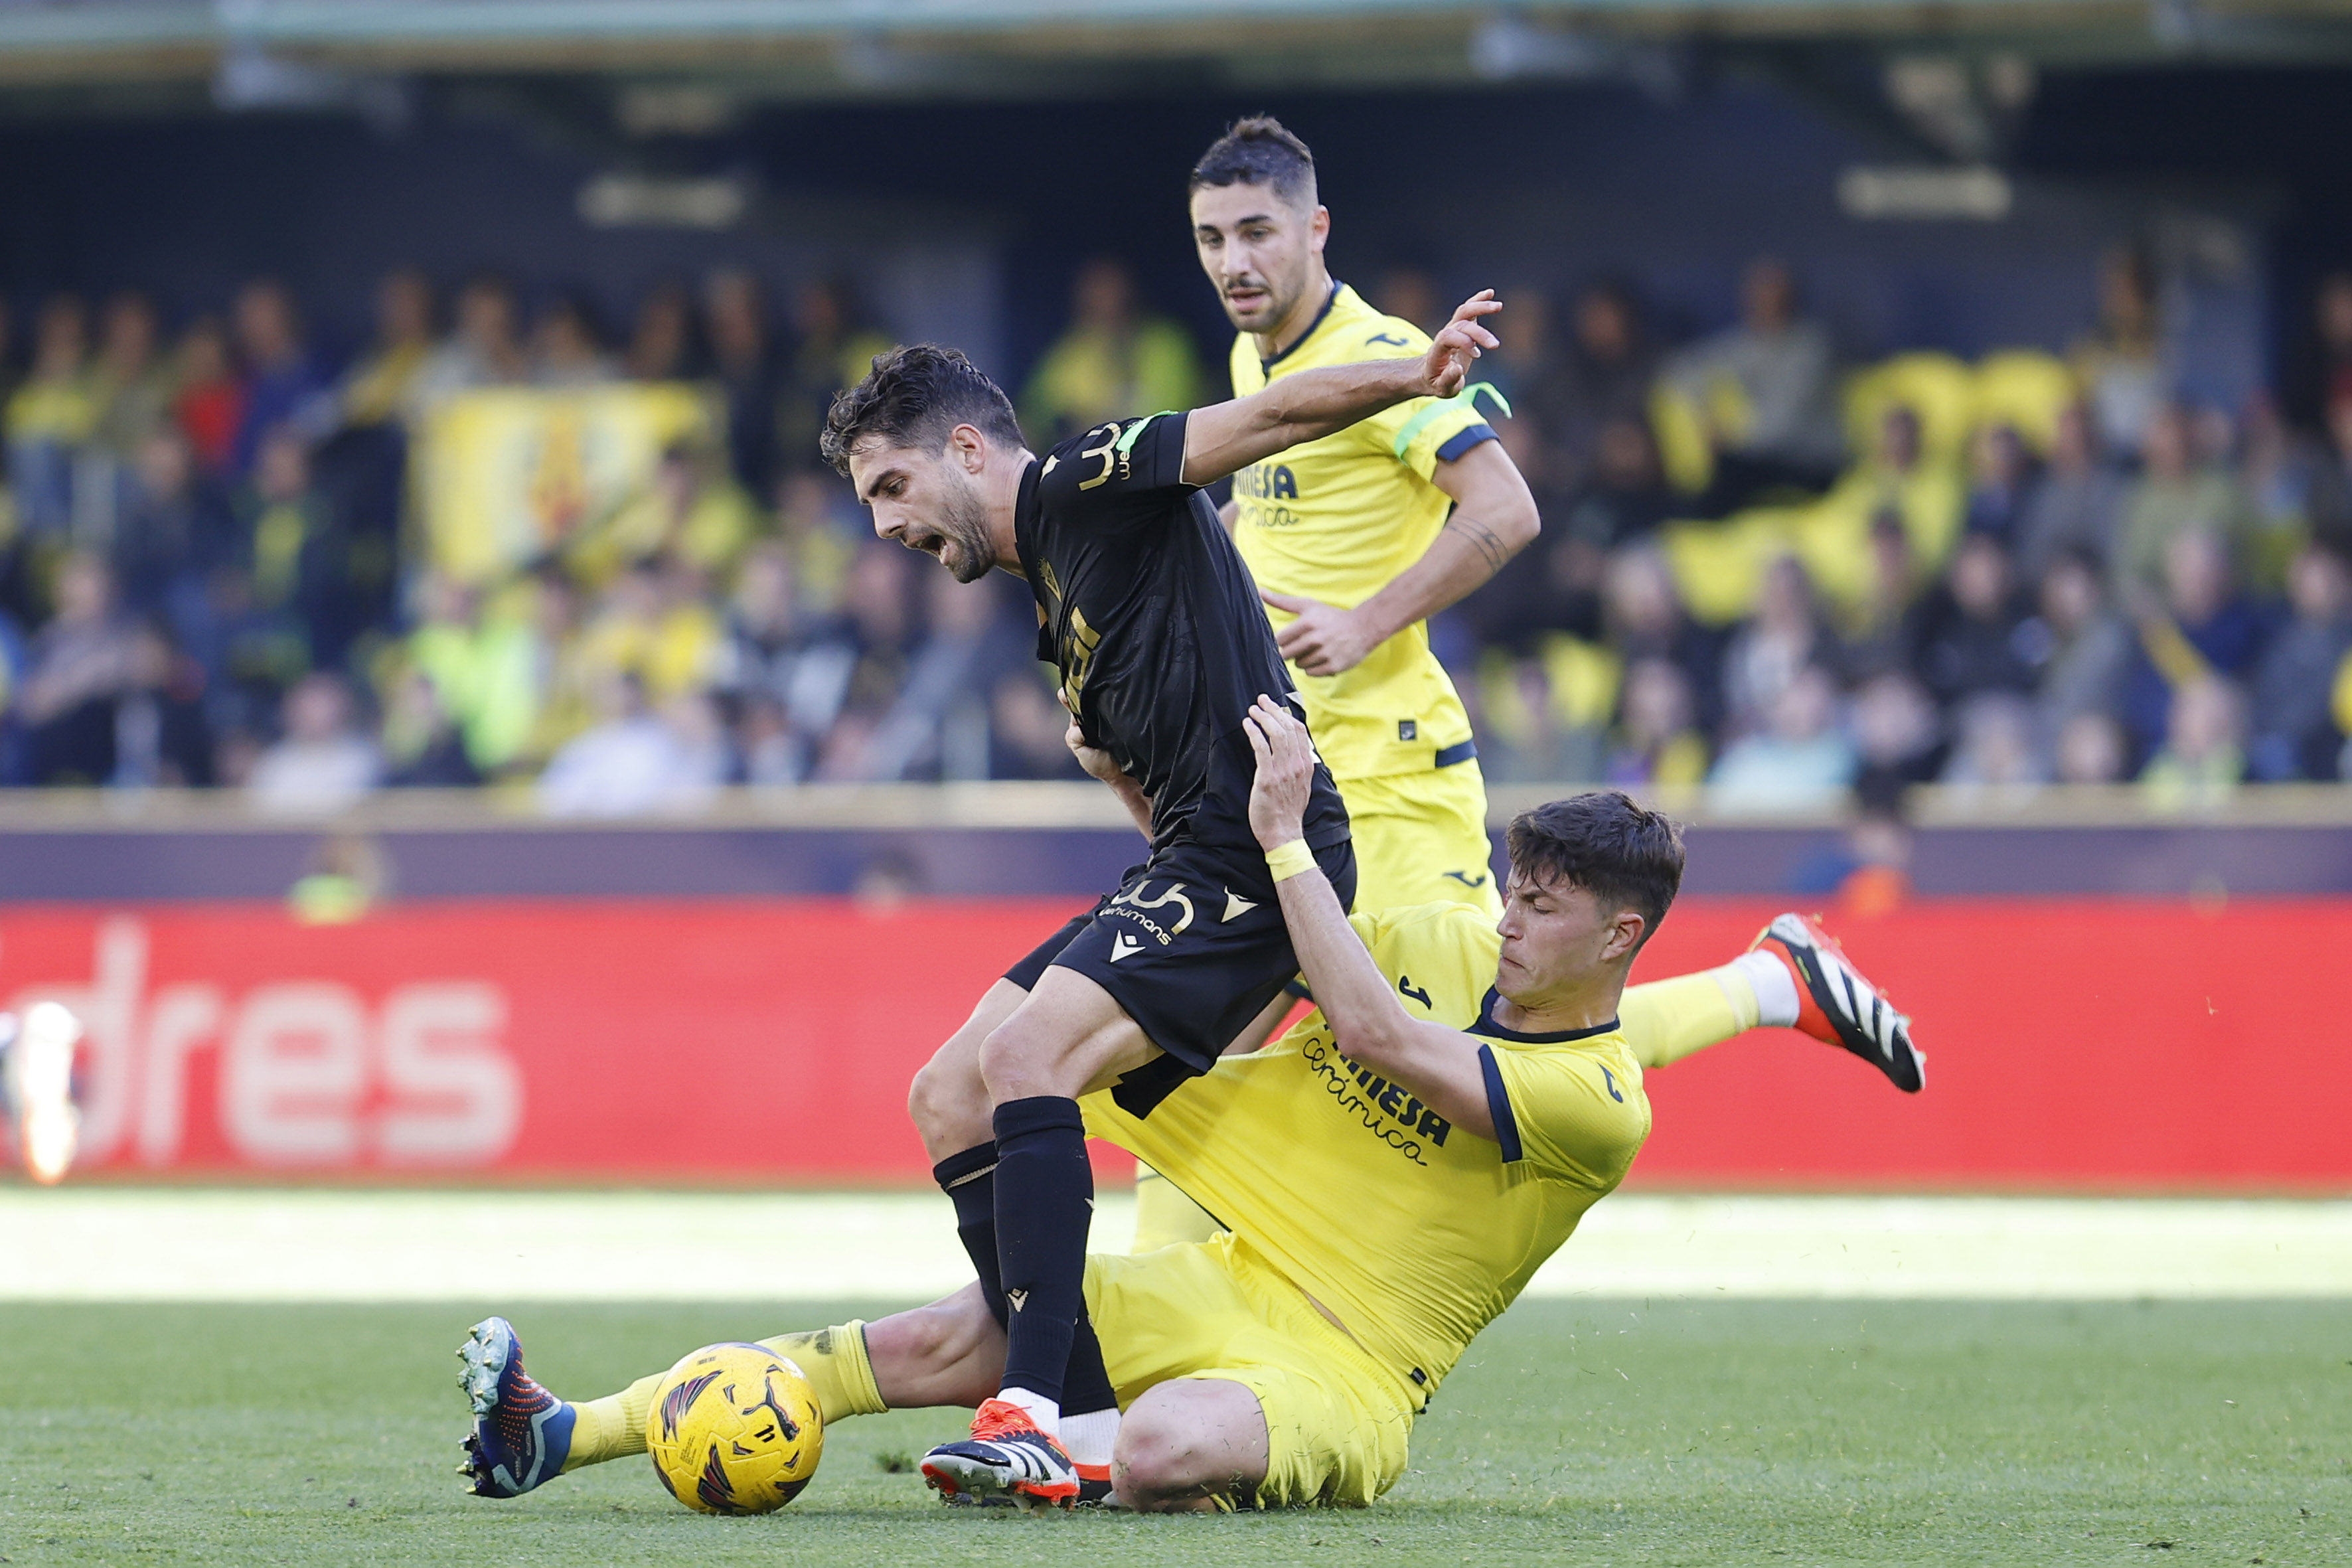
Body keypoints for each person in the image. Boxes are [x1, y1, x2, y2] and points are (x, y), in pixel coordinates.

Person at [456, 754, 1923, 1511]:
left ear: (1619, 934)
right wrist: (1168, 823)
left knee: (1169, 1444)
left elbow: (1383, 1038)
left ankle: (1054, 1450)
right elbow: (1254, 966)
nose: (1506, 920)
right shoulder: (1443, 933)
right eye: (1510, 888)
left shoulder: (1600, 1110)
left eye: (1540, 906)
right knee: (923, 1338)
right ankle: (561, 1431)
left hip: (1344, 1359)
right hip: (1222, 1260)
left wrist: (1289, 839)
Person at [795, 292, 1500, 1504]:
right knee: (949, 1092)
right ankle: (1070, 1403)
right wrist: (1111, 768)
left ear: (968, 449)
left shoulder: (1089, 482)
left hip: (1257, 858)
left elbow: (1272, 412)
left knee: (1025, 1058)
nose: (886, 523)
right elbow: (1158, 773)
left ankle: (1032, 1405)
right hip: (1190, 858)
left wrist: (1417, 376)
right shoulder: (1057, 598)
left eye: (892, 486)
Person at [1157, 116, 1542, 1247]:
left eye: (1259, 232)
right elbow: (1271, 515)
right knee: (1194, 1048)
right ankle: (1100, 1381)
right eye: (1212, 237)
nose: (1235, 261)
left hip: (1392, 779)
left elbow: (1507, 509)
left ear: (1315, 228)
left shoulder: (1385, 356)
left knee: (1475, 1043)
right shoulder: (1253, 358)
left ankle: (1767, 987)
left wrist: (1367, 621)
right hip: (1280, 781)